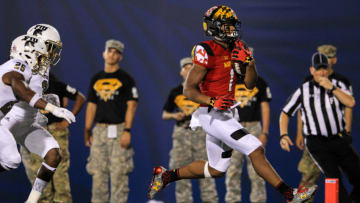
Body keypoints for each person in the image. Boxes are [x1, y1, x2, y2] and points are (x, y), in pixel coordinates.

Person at [148, 5, 317, 203]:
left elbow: (250, 83)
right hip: (211, 113)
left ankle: (166, 176)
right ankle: (291, 195)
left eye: (232, 25)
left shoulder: (238, 46)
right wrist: (213, 100)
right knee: (255, 148)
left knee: (216, 169)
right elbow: (189, 90)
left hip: (227, 113)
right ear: (214, 27)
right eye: (227, 26)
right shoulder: (206, 50)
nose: (232, 30)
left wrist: (251, 64)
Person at [0, 33, 75, 203]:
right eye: (41, 54)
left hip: (26, 123)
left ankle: (32, 200)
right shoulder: (18, 64)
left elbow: (28, 94)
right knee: (12, 159)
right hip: (8, 121)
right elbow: (20, 88)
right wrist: (51, 108)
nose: (47, 57)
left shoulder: (40, 69)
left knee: (53, 155)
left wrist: (47, 101)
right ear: (28, 51)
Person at [279, 52, 360, 203]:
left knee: (356, 173)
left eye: (324, 68)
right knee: (331, 178)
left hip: (338, 138)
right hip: (317, 142)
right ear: (312, 70)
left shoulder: (339, 85)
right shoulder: (304, 89)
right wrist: (284, 135)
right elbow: (286, 113)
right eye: (318, 69)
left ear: (329, 69)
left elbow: (351, 103)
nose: (322, 72)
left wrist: (332, 88)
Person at [295, 45, 353, 203]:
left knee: (335, 178)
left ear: (334, 60)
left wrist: (346, 130)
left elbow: (348, 106)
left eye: (328, 57)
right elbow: (301, 109)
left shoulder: (341, 82)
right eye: (321, 57)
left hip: (335, 138)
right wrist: (299, 133)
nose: (324, 61)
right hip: (313, 138)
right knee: (308, 178)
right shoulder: (308, 82)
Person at [84, 39, 138, 203]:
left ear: (120, 57)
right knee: (98, 175)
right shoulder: (96, 78)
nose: (112, 54)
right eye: (110, 50)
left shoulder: (126, 79)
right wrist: (87, 130)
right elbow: (91, 106)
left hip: (119, 129)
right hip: (99, 130)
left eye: (116, 52)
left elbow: (132, 105)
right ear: (104, 53)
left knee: (119, 175)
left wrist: (127, 131)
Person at [20, 72, 86, 203]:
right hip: (37, 133)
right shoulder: (27, 87)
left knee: (60, 175)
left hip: (56, 132)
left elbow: (81, 97)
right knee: (40, 175)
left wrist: (66, 121)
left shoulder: (55, 84)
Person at [162, 57, 218, 203]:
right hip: (181, 134)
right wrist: (175, 115)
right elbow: (164, 114)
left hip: (200, 134)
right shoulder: (175, 92)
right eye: (185, 67)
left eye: (191, 67)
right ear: (181, 72)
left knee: (206, 172)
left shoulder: (204, 90)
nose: (188, 70)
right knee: (180, 174)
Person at [225, 47, 271, 203]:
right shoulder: (228, 80)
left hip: (253, 127)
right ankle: (232, 201)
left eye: (247, 57)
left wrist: (264, 132)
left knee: (258, 170)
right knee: (232, 170)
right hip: (232, 127)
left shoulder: (259, 82)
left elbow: (265, 106)